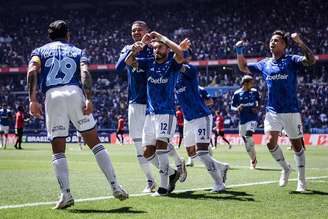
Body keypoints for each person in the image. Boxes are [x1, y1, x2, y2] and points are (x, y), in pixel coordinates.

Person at [27, 20, 128, 209]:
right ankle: (115, 186)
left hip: (53, 95)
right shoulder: (77, 51)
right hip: (75, 92)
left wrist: (32, 99)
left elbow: (32, 70)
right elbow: (84, 72)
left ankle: (66, 194)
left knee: (58, 149)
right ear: (68, 35)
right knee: (95, 142)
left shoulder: (38, 51)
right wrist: (88, 98)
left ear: (49, 36)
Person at [236, 30, 316, 192]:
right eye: (271, 40)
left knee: (297, 146)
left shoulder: (292, 60)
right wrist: (239, 51)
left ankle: (301, 180)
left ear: (284, 45)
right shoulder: (265, 63)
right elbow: (243, 67)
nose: (272, 42)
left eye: (277, 40)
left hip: (291, 110)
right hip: (272, 110)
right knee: (269, 142)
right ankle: (285, 168)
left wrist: (300, 43)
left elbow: (311, 61)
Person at [116, 21, 186, 193]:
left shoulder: (166, 58)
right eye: (133, 30)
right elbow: (121, 67)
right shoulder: (139, 53)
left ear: (148, 31)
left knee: (160, 145)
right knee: (144, 149)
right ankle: (161, 176)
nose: (136, 32)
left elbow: (180, 54)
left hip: (158, 108)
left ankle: (165, 179)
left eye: (139, 30)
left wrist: (161, 40)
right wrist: (136, 48)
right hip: (140, 106)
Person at [175, 44, 229, 191]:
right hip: (188, 119)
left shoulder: (190, 69)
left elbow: (176, 64)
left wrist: (171, 54)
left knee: (202, 152)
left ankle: (219, 184)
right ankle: (222, 167)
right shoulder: (174, 76)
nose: (178, 55)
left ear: (188, 57)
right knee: (191, 153)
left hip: (201, 116)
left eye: (181, 53)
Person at [231, 75, 260, 169]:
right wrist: (237, 108)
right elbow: (232, 106)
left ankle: (253, 158)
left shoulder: (255, 92)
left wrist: (257, 108)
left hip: (252, 118)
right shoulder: (237, 93)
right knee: (247, 145)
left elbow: (259, 103)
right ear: (245, 83)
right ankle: (253, 159)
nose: (252, 84)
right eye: (250, 83)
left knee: (249, 136)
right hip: (243, 120)